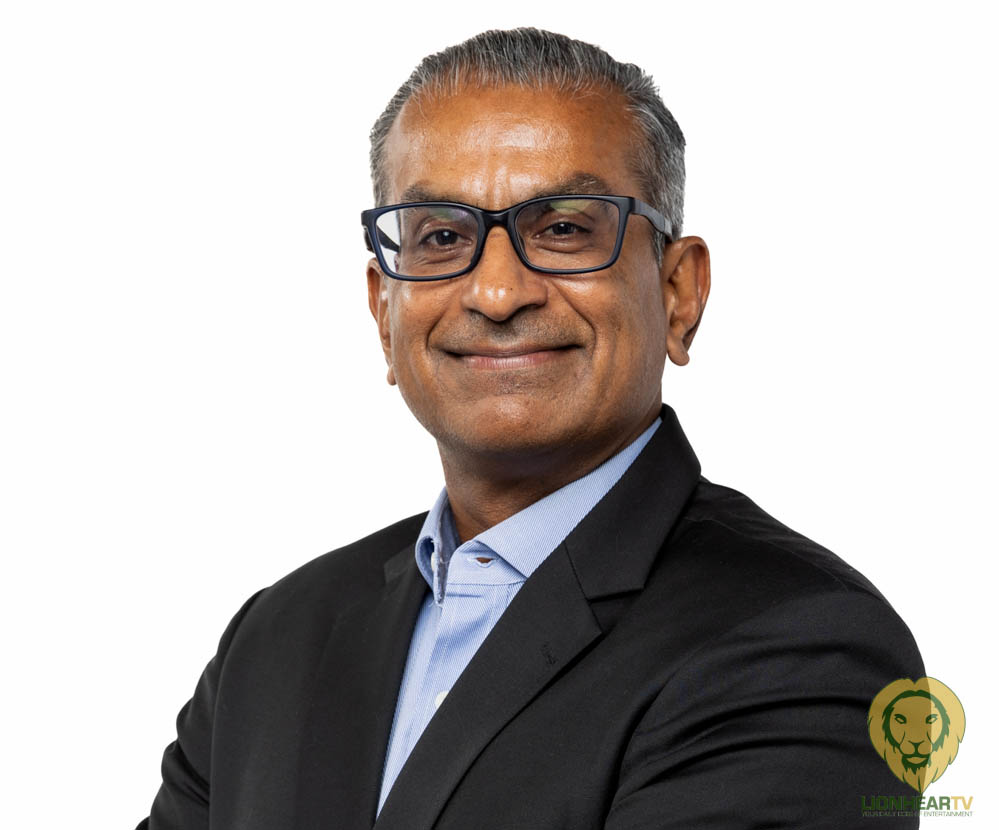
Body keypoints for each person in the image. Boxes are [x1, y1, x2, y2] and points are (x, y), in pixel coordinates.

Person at [139, 28, 922, 830]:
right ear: (384, 312)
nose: (497, 292)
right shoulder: (278, 637)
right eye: (442, 237)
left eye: (564, 229)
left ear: (678, 293)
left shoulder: (797, 643)